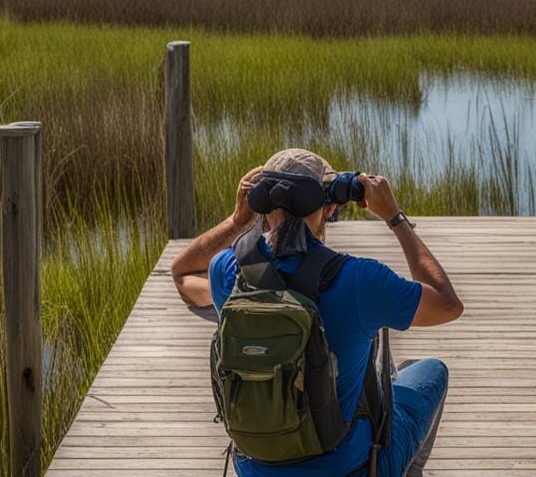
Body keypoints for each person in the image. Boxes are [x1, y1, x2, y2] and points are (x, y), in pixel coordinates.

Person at [171, 148, 464, 477]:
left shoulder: (231, 273)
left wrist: (237, 221)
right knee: (429, 372)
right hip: (349, 469)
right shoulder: (359, 280)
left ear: (263, 201)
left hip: (254, 469)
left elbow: (182, 273)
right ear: (329, 206)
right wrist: (394, 217)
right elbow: (448, 305)